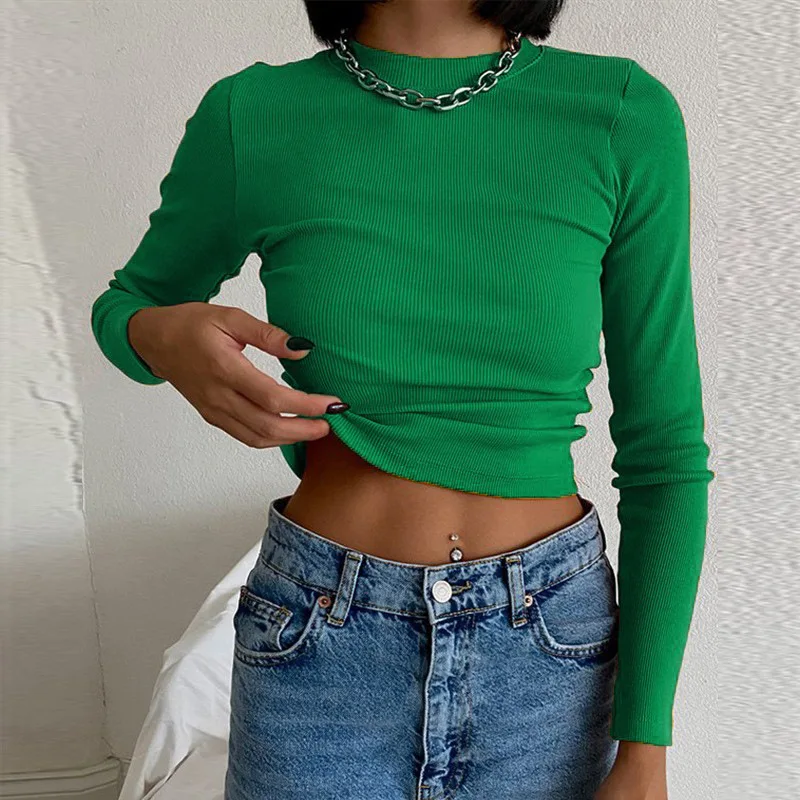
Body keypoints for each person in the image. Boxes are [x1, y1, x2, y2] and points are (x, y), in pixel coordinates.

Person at [90, 1, 714, 798]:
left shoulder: (621, 113)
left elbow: (665, 453)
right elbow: (130, 305)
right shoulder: (256, 114)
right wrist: (158, 334)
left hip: (548, 659)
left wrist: (645, 747)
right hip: (318, 645)